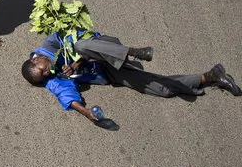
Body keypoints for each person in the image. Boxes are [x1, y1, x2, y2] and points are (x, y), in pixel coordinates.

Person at [22, 32, 242, 123]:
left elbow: (85, 34)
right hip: (109, 71)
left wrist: (78, 61)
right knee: (162, 90)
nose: (46, 73)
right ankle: (212, 76)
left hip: (105, 48)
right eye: (43, 78)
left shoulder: (51, 43)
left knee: (82, 44)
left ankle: (135, 52)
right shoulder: (52, 78)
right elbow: (65, 93)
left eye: (42, 70)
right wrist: (86, 112)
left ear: (35, 60)